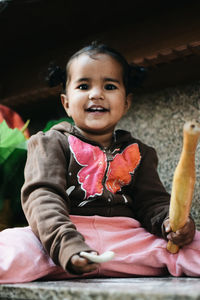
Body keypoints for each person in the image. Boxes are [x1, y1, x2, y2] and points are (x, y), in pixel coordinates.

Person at [0, 42, 199, 283]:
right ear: (66, 102)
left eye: (110, 86)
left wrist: (171, 223)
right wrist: (67, 244)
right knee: (12, 245)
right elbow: (43, 197)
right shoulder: (50, 142)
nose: (97, 93)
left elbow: (152, 202)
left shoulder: (141, 152)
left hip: (127, 240)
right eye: (84, 85)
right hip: (61, 238)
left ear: (126, 102)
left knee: (194, 244)